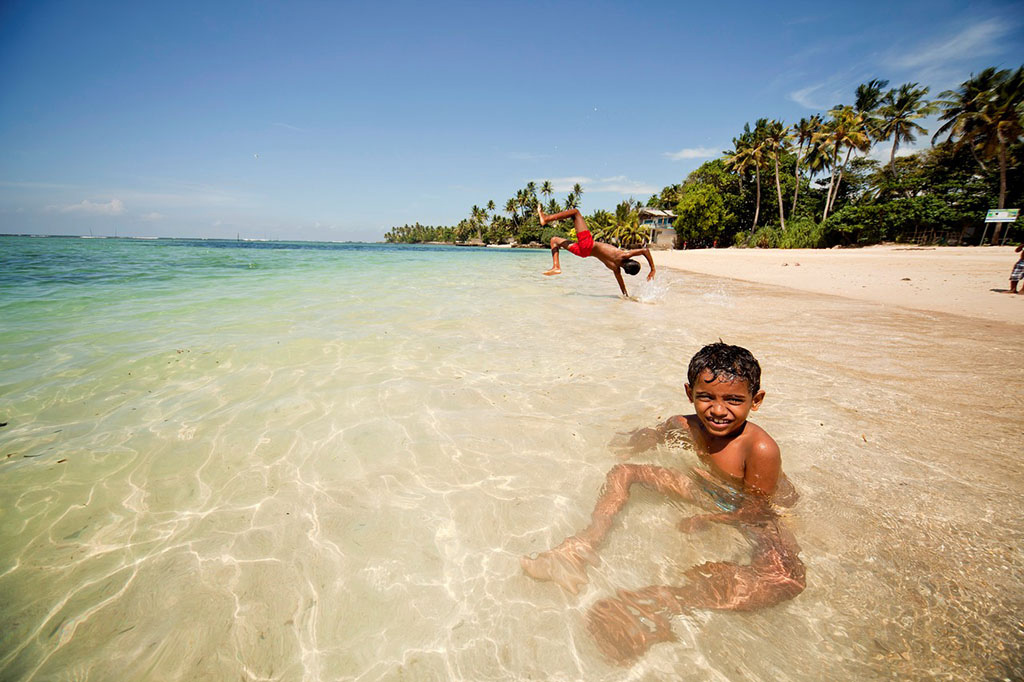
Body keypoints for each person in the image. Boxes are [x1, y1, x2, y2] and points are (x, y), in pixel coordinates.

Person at [521, 342, 805, 663]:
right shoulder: (684, 425)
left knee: (787, 578)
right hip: (708, 491)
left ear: (757, 401)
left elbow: (758, 509)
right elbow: (659, 432)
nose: (718, 409)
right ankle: (577, 549)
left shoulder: (761, 449)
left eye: (734, 400)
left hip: (756, 512)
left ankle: (665, 600)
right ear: (689, 393)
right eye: (706, 397)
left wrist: (711, 520)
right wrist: (640, 438)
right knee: (624, 472)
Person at [537, 205, 655, 297]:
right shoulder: (616, 269)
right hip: (583, 253)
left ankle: (546, 218)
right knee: (554, 240)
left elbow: (645, 251)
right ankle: (556, 266)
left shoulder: (623, 255)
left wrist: (652, 269)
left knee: (575, 213)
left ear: (631, 260)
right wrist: (626, 296)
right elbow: (621, 284)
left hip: (587, 244)